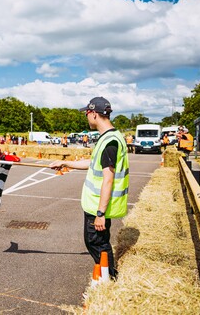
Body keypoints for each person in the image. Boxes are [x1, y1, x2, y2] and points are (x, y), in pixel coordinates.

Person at [50, 97, 129, 279]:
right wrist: (65, 163)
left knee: (97, 243)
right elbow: (93, 163)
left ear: (94, 114)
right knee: (96, 242)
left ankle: (108, 278)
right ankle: (106, 276)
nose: (86, 117)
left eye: (87, 113)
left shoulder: (110, 142)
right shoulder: (109, 138)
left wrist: (100, 214)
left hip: (98, 207)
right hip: (95, 205)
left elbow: (108, 179)